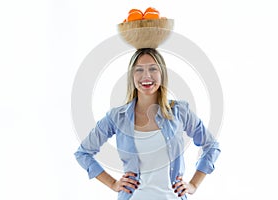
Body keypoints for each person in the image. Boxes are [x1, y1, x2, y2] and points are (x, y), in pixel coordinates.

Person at [74, 48, 220, 200]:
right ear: (132, 76)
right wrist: (112, 184)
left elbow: (211, 146)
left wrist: (193, 185)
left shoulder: (179, 111)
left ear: (162, 74)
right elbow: (83, 153)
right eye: (139, 70)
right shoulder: (117, 117)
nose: (146, 76)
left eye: (153, 69)